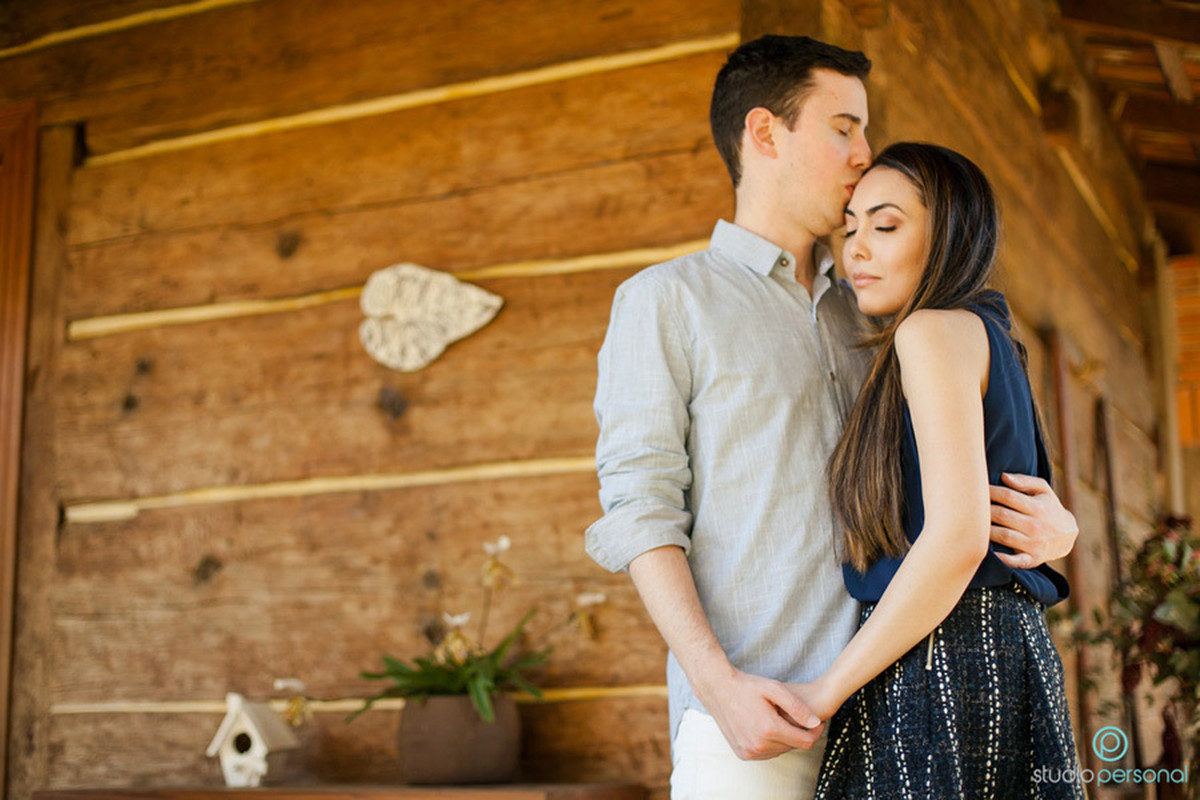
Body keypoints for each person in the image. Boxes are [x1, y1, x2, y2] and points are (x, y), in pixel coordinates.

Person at [585, 35, 1079, 799]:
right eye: (844, 126)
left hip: (900, 705)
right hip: (760, 716)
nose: (864, 151)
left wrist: (1055, 531)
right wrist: (718, 687)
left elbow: (959, 480)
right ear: (764, 134)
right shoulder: (667, 301)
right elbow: (639, 511)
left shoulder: (886, 308)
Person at [788, 141, 1084, 798]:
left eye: (886, 225)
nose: (858, 247)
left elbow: (956, 537)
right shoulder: (991, 334)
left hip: (940, 654)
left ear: (948, 233)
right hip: (1000, 647)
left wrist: (826, 690)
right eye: (852, 225)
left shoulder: (928, 332)